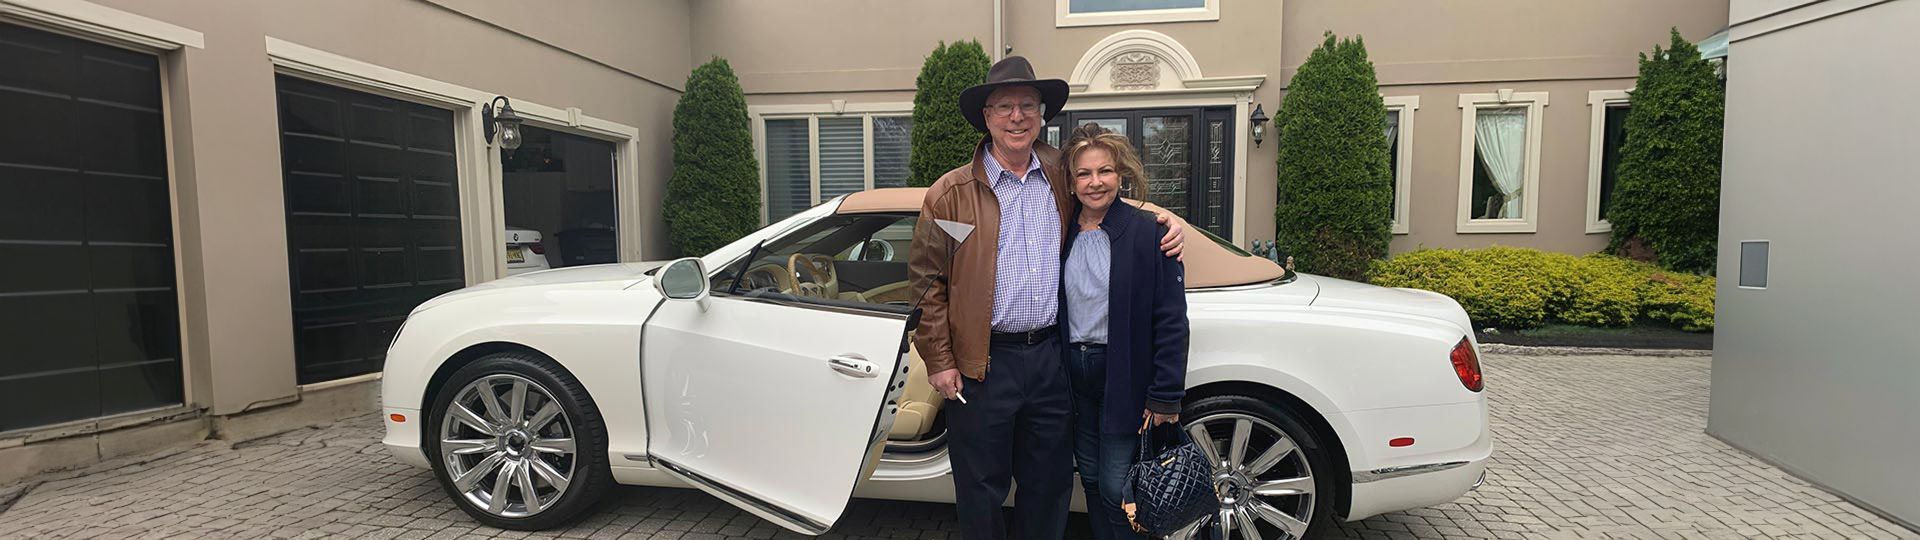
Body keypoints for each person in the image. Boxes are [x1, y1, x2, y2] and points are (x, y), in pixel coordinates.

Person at [907, 56, 1186, 540]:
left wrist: (1165, 222)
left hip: (1051, 361)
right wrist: (940, 359)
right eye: (1005, 106)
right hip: (981, 365)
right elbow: (929, 284)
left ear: (1042, 115)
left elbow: (1108, 203)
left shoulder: (1062, 174)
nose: (1018, 116)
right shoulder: (950, 194)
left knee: (1049, 485)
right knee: (980, 488)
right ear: (987, 116)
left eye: (1028, 106)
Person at [1059, 124, 1190, 539]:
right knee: (1093, 477)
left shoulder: (1149, 232)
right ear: (1071, 179)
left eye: (1105, 171)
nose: (1095, 182)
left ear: (1121, 174)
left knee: (1118, 484)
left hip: (1122, 376)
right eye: (1084, 173)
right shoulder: (1060, 232)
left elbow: (1171, 318)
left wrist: (1166, 394)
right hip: (1071, 376)